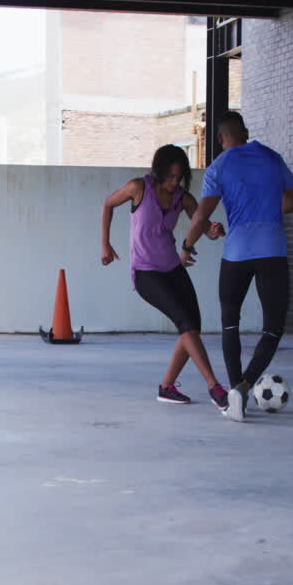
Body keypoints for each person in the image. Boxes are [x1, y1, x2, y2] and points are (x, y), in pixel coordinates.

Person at [181, 111, 293, 422]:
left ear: (220, 139)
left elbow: (200, 217)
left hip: (236, 253)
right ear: (246, 133)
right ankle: (244, 386)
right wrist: (265, 208)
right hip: (272, 251)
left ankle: (235, 394)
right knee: (273, 327)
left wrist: (187, 246)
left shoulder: (219, 166)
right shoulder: (272, 158)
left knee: (230, 325)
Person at [101, 144, 229, 410]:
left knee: (192, 327)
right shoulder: (139, 187)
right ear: (159, 172)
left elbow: (203, 226)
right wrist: (105, 244)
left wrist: (214, 231)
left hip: (173, 269)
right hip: (146, 274)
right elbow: (108, 204)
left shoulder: (182, 198)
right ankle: (214, 386)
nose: (174, 183)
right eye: (170, 176)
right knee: (186, 324)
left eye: (179, 177)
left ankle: (167, 387)